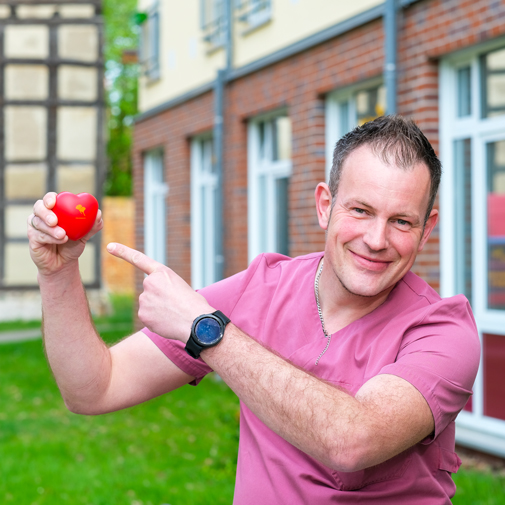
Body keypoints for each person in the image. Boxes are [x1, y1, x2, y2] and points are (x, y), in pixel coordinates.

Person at [28, 115, 480, 504]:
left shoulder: (443, 331)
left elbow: (351, 440)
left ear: (426, 230)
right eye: (360, 210)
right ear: (325, 206)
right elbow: (94, 388)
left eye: (401, 221)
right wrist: (58, 274)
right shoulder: (261, 288)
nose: (377, 239)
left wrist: (207, 330)